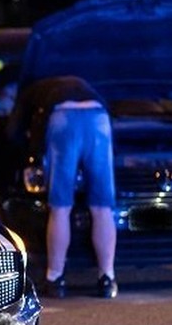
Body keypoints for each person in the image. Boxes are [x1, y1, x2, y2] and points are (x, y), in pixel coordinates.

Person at [7, 75, 117, 299]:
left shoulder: (31, 92)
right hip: (99, 117)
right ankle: (107, 278)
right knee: (102, 207)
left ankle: (55, 278)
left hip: (64, 119)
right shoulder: (82, 83)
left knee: (60, 208)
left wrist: (29, 149)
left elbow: (12, 133)